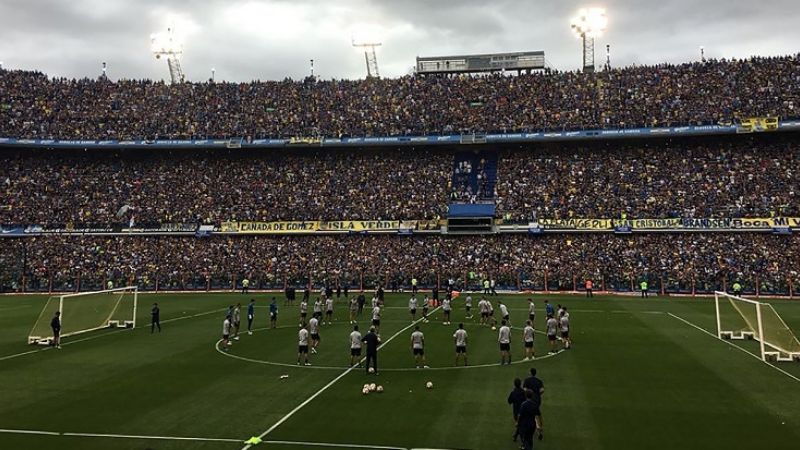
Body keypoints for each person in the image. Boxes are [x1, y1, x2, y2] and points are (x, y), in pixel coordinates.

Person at [523, 368, 545, 441]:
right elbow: (542, 390)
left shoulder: (527, 380)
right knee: (537, 413)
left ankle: (537, 427)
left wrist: (528, 394)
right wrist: (538, 395)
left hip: (530, 400)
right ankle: (540, 426)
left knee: (529, 415)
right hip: (537, 400)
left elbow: (525, 389)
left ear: (530, 373)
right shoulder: (539, 381)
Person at [507, 378, 526, 443]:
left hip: (516, 412)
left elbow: (509, 401)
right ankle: (519, 438)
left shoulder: (513, 393)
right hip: (523, 412)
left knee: (519, 425)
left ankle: (518, 438)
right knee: (520, 425)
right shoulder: (524, 392)